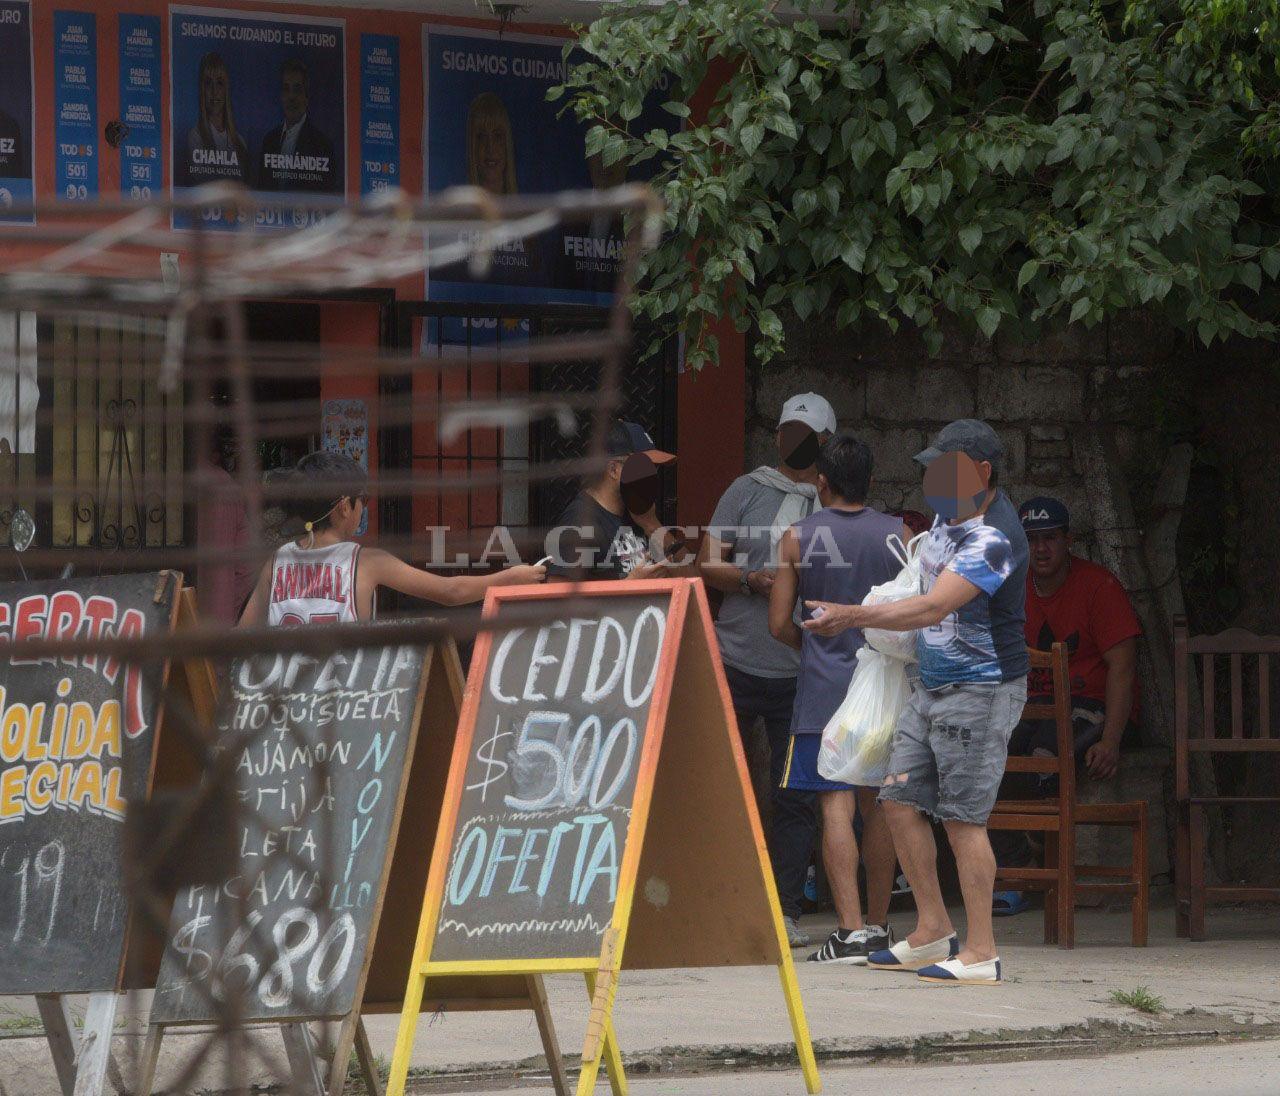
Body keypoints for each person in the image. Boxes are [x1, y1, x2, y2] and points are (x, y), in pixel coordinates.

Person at [803, 420, 1028, 985]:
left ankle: (982, 951)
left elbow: (932, 608)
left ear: (981, 474)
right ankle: (931, 928)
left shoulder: (996, 537)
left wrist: (852, 615)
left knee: (962, 819)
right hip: (928, 686)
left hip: (981, 691)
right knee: (897, 800)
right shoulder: (947, 518)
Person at [699, 392, 836, 948]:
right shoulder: (745, 490)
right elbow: (707, 563)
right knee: (718, 782)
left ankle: (784, 912)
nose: (793, 440)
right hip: (734, 659)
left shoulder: (832, 503)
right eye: (786, 430)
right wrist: (748, 580)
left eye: (805, 432)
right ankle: (712, 903)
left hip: (802, 672)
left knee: (796, 794)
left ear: (825, 443)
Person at [769, 432, 903, 963]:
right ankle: (877, 927)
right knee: (881, 808)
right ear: (869, 482)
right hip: (884, 692)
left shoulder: (797, 537)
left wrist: (813, 647)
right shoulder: (898, 535)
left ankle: (845, 932)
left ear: (821, 483)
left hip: (824, 692)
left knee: (834, 808)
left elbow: (780, 622)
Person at [991, 496, 1141, 915]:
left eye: (1050, 539)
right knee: (979, 759)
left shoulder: (1098, 585)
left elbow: (1123, 666)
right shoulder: (1011, 586)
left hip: (1087, 703)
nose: (1040, 549)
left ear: (1068, 540)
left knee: (1042, 759)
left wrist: (1111, 739)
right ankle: (1020, 868)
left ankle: (1036, 871)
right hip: (1030, 701)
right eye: (1031, 539)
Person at [239, 452, 544, 625]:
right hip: (345, 713)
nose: (364, 507)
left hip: (286, 719)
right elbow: (451, 591)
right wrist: (513, 576)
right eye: (363, 499)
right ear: (345, 506)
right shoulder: (366, 562)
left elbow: (242, 636)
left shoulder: (277, 562)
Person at [545, 420, 676, 581]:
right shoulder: (580, 520)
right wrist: (631, 586)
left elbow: (693, 584)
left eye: (654, 468)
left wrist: (652, 525)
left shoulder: (640, 514)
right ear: (613, 469)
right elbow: (558, 597)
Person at [257, 59, 338, 193]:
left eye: (297, 89)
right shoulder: (269, 141)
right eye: (286, 89)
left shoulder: (322, 145)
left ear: (307, 96)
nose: (291, 97)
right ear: (281, 96)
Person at [182, 52, 249, 186]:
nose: (214, 91)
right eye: (208, 83)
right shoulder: (195, 138)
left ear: (226, 89)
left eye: (219, 83)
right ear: (202, 90)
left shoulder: (240, 143)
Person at [467, 92, 517, 194]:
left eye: (497, 136)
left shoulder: (525, 208)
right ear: (473, 146)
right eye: (481, 136)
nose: (490, 147)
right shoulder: (458, 208)